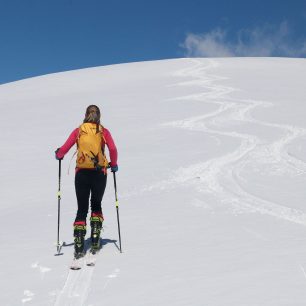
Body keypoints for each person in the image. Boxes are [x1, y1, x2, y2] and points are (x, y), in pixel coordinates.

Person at [55, 105, 118, 258]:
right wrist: (114, 164)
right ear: (99, 115)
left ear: (85, 114)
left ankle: (78, 244)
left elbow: (64, 149)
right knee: (96, 204)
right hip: (99, 173)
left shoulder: (79, 130)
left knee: (82, 209)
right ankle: (95, 236)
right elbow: (113, 149)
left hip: (82, 173)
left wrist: (59, 154)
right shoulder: (104, 131)